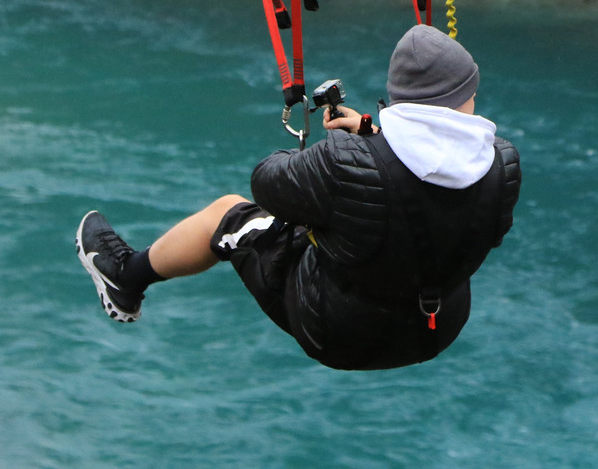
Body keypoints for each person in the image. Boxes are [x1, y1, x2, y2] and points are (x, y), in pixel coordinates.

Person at [75, 24, 521, 370]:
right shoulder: (502, 163)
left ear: (400, 100)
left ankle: (126, 277)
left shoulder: (343, 162)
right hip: (435, 330)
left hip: (340, 333)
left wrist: (340, 151)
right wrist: (371, 138)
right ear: (469, 94)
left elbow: (266, 182)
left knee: (230, 213)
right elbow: (431, 189)